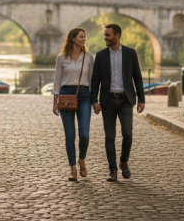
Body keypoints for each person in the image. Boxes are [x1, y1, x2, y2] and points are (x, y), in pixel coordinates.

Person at [91, 23, 145, 182]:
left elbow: (138, 77)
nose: (105, 38)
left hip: (125, 100)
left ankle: (123, 161)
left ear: (117, 36)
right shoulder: (100, 55)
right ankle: (112, 170)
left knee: (127, 134)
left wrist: (141, 99)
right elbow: (95, 80)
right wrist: (94, 101)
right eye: (104, 35)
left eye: (108, 35)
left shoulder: (130, 53)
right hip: (107, 101)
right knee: (109, 137)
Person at [52, 27, 94, 181]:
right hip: (65, 95)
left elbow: (92, 80)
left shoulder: (89, 57)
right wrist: (54, 101)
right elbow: (57, 80)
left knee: (84, 135)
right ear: (73, 39)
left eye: (84, 36)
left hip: (85, 95)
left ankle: (81, 159)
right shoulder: (61, 57)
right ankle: (73, 170)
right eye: (81, 37)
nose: (83, 39)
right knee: (70, 135)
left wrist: (95, 101)